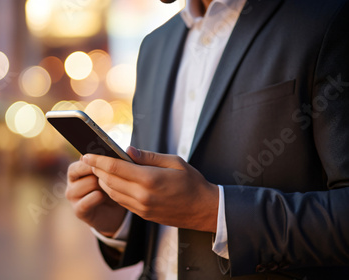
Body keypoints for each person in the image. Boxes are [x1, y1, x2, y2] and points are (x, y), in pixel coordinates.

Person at [65, 0, 349, 279]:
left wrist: (212, 211)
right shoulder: (154, 46)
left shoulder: (326, 18)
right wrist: (120, 219)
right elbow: (160, 234)